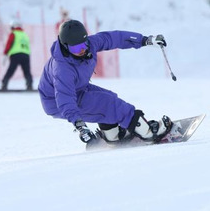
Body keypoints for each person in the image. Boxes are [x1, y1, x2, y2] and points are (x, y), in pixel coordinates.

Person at [38, 20, 172, 145]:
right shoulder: (62, 68)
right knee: (110, 104)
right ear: (65, 47)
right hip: (56, 101)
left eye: (84, 45)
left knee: (110, 97)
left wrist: (145, 40)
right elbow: (65, 99)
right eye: (76, 49)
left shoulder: (90, 45)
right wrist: (80, 125)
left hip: (78, 89)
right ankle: (148, 133)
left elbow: (114, 38)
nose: (82, 51)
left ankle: (112, 135)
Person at [1, 20, 33, 91]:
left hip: (16, 55)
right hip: (26, 55)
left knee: (11, 70)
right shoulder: (25, 35)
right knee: (27, 71)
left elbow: (9, 44)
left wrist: (5, 54)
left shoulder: (13, 33)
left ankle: (4, 84)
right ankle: (30, 85)